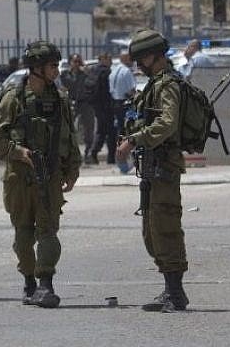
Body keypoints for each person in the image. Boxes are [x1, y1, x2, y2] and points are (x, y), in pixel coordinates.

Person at [0, 40, 81, 308]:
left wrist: (72, 169)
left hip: (50, 176)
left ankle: (45, 283)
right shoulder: (13, 99)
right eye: (53, 65)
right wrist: (18, 152)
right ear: (37, 68)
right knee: (23, 235)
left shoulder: (60, 98)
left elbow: (70, 137)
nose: (57, 70)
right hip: (20, 179)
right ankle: (29, 281)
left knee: (48, 231)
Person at [115, 28, 189, 312]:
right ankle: (169, 289)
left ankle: (176, 292)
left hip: (164, 165)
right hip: (151, 165)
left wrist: (134, 139)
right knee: (151, 230)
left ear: (151, 57)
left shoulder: (167, 84)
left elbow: (167, 123)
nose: (137, 66)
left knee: (165, 227)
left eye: (140, 60)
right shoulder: (155, 84)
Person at [61, 54, 95, 164]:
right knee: (69, 128)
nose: (76, 63)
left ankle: (88, 153)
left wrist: (86, 72)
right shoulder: (65, 74)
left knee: (89, 128)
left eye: (78, 61)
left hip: (85, 103)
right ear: (70, 62)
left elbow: (93, 83)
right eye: (74, 61)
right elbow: (68, 85)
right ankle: (71, 154)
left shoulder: (85, 73)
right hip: (72, 103)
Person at [89, 53, 115, 164]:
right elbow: (107, 91)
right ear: (103, 59)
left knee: (101, 131)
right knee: (111, 132)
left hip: (97, 106)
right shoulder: (106, 72)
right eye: (109, 59)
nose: (111, 62)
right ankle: (110, 157)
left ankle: (93, 154)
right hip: (106, 106)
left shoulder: (93, 70)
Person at [109, 49, 137, 139]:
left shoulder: (114, 70)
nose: (133, 60)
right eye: (130, 58)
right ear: (125, 58)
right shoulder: (126, 71)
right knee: (126, 128)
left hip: (114, 102)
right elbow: (131, 90)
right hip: (124, 103)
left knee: (118, 128)